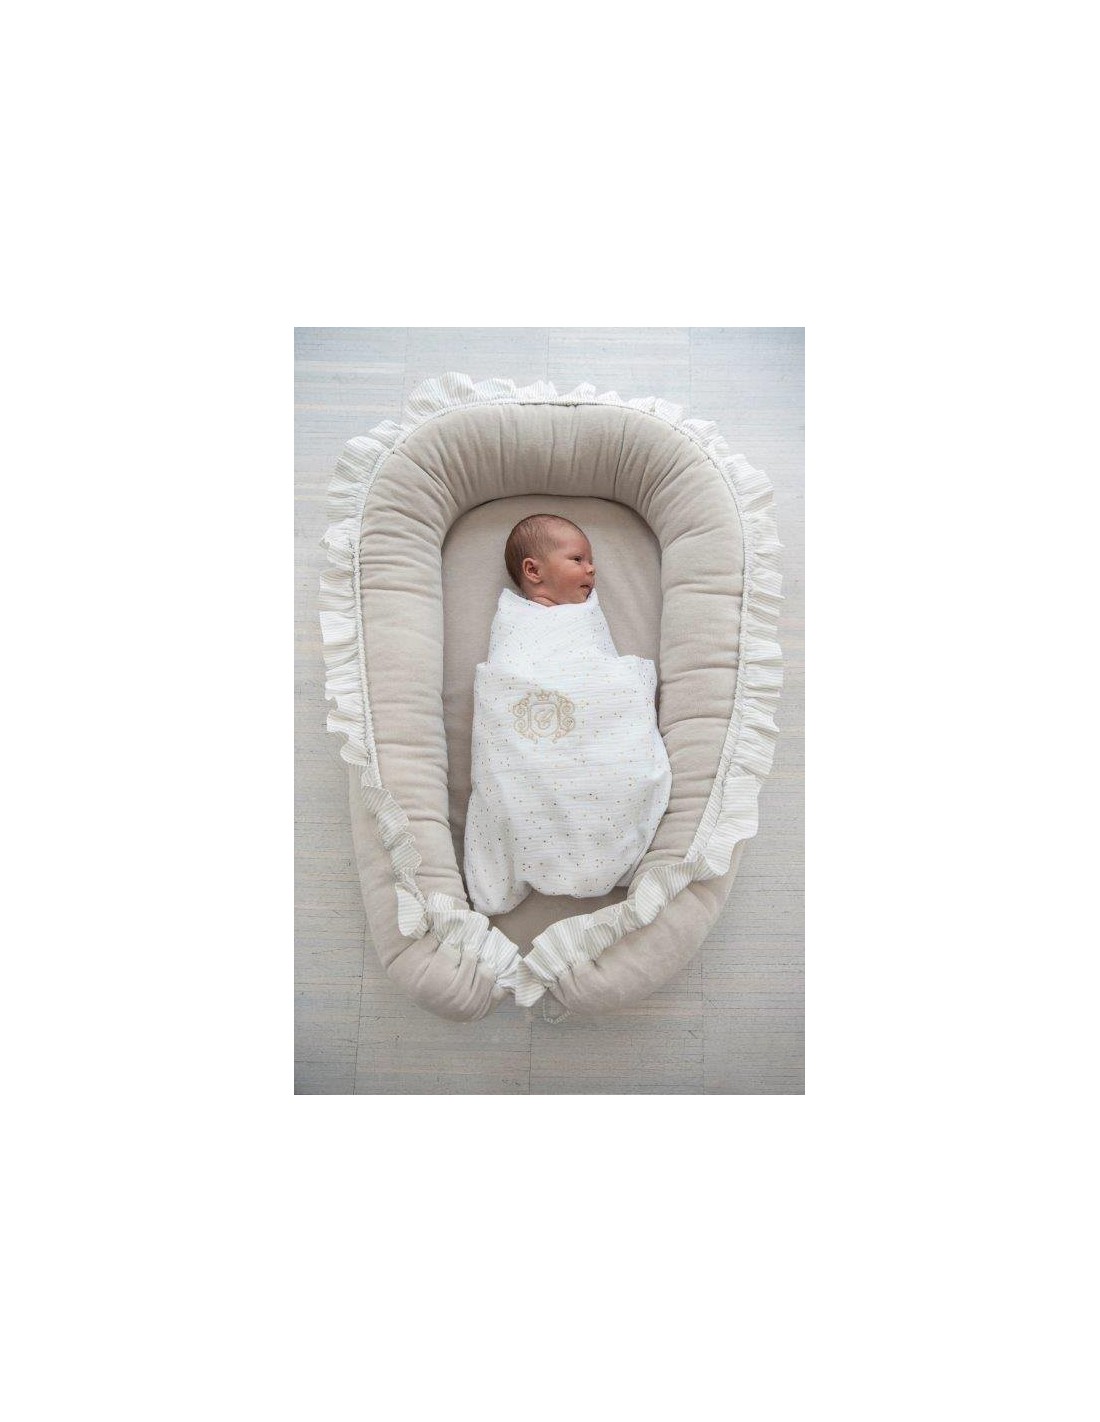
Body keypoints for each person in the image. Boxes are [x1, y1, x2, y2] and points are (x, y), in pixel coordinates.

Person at [462, 514, 672, 916]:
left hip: (590, 733)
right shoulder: (515, 622)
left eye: (590, 561)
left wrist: (620, 685)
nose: (591, 569)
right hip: (529, 737)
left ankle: (606, 843)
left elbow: (597, 674)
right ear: (533, 571)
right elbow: (507, 683)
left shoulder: (586, 618)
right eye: (578, 559)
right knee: (519, 782)